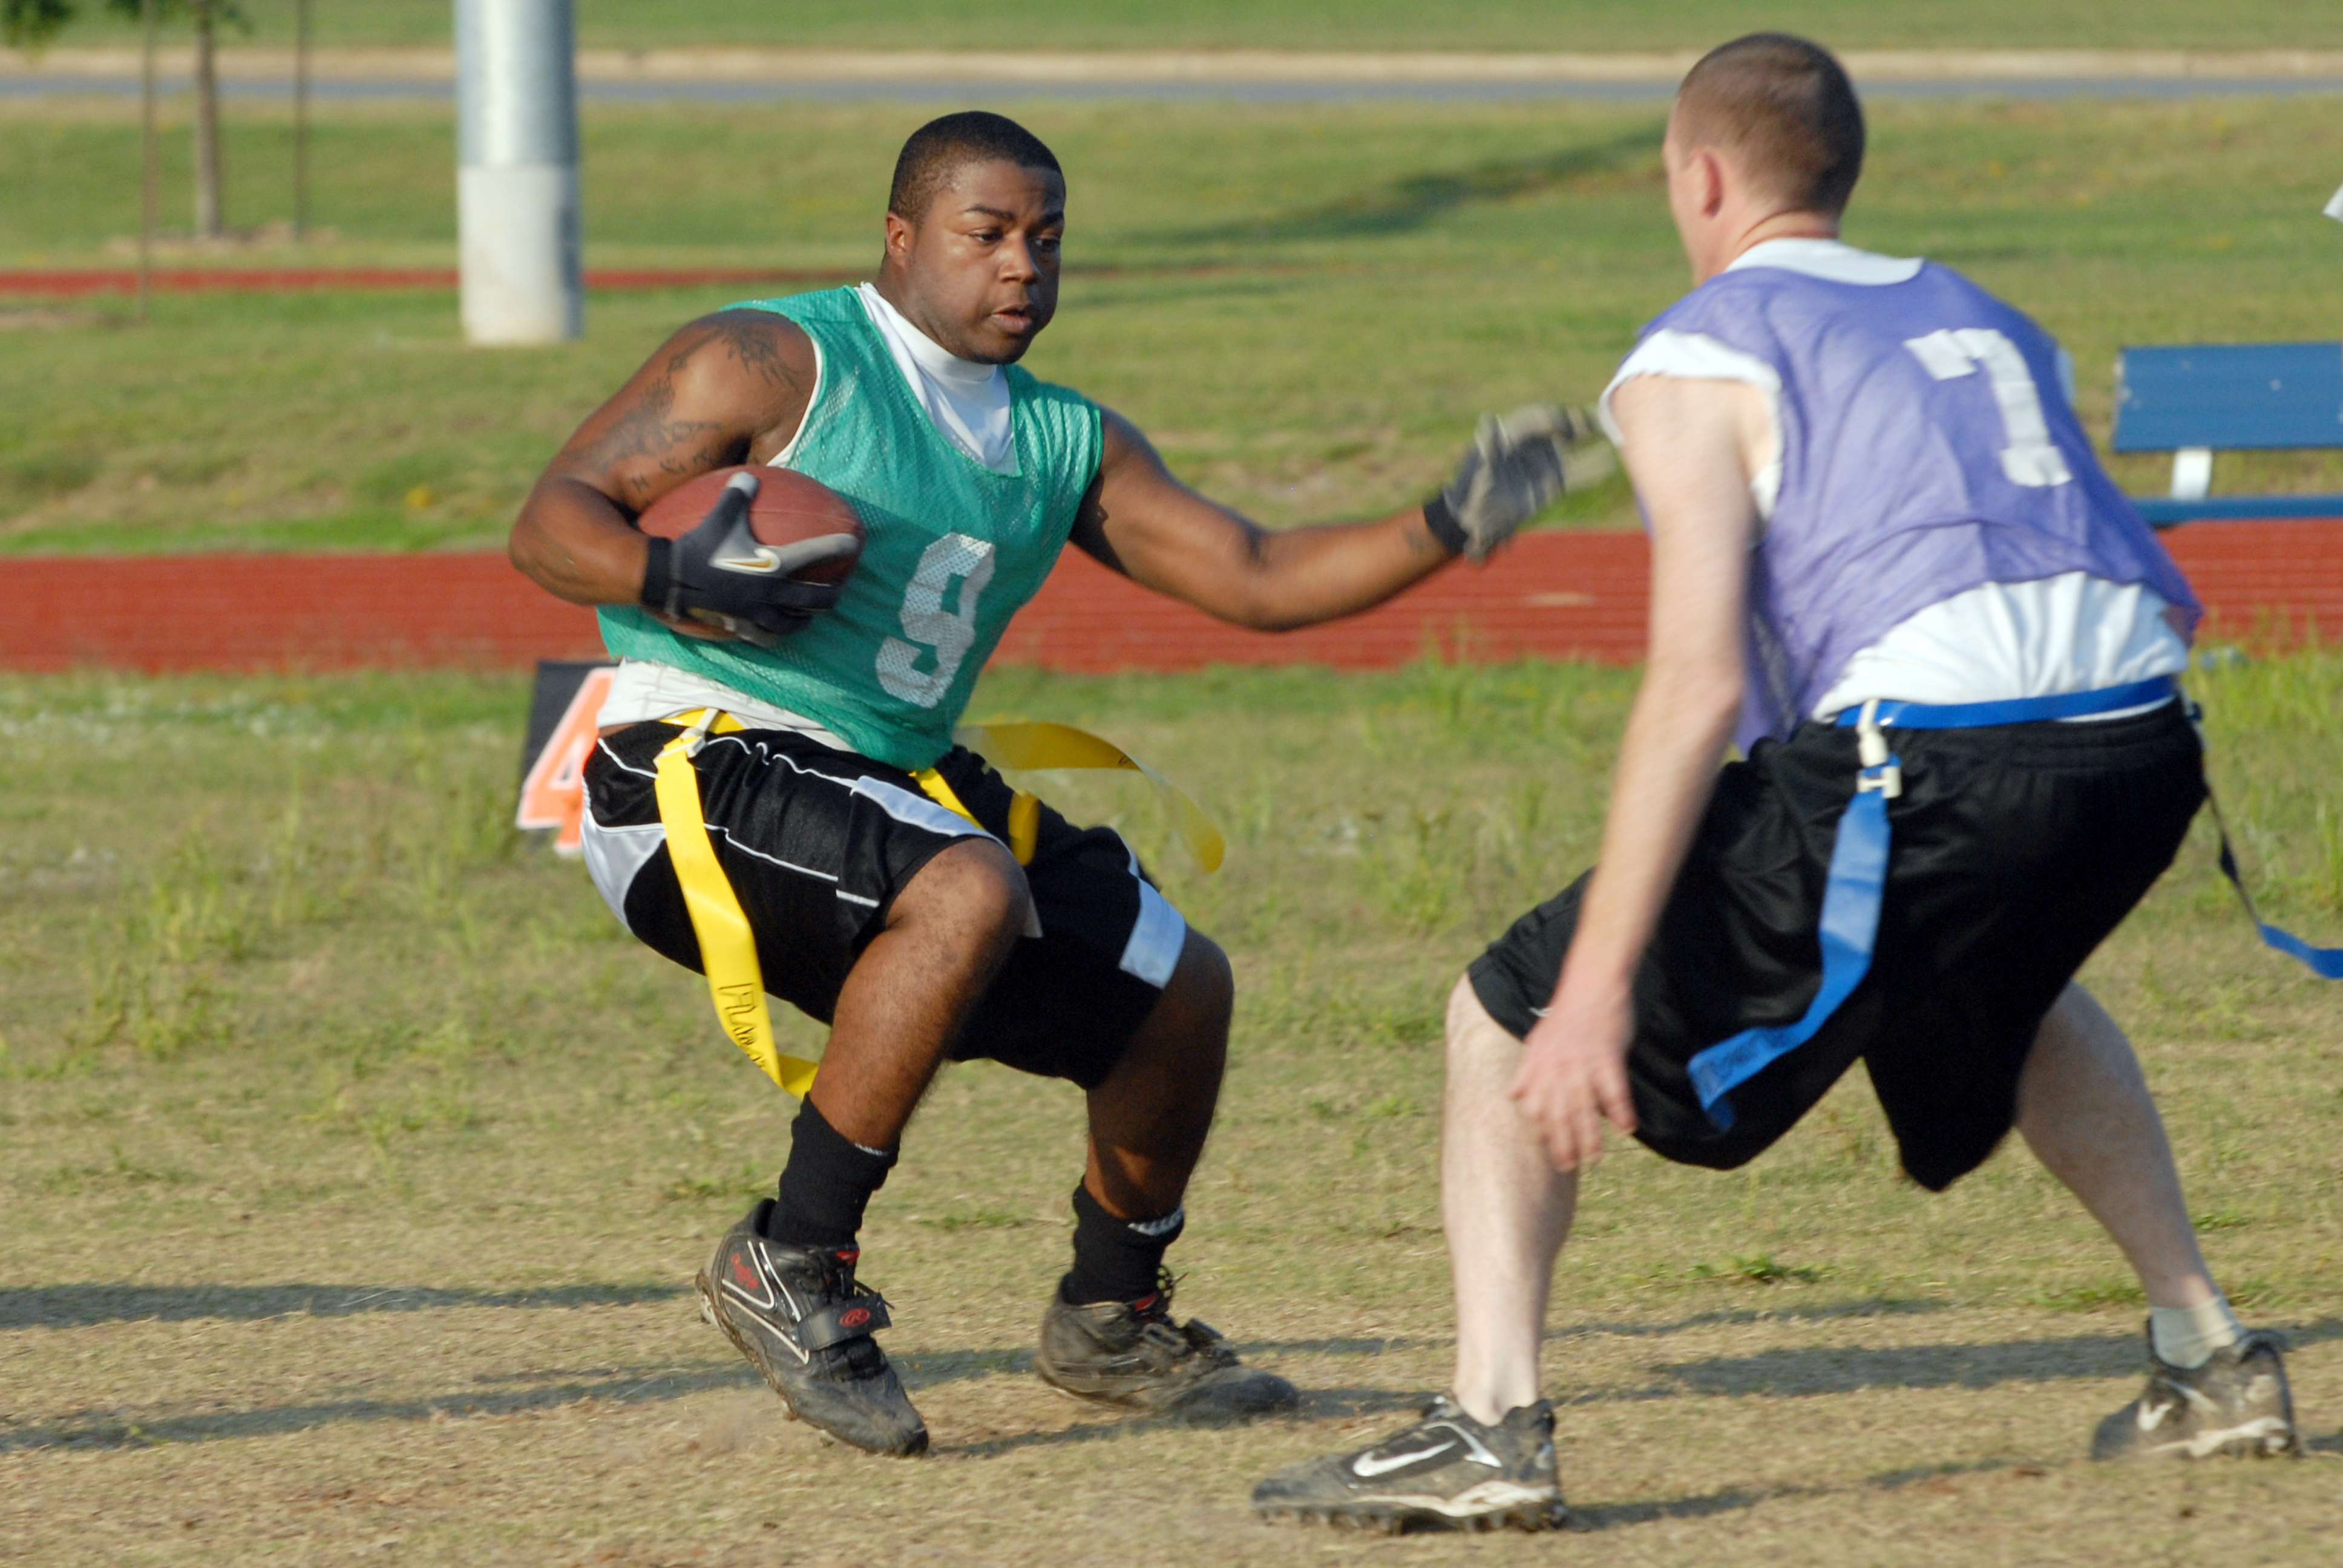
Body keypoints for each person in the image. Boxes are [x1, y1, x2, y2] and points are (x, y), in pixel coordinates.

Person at [1253, 34, 2299, 1533]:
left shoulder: (1696, 348)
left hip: (1941, 753)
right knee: (1999, 976)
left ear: (1699, 175)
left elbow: (1692, 683)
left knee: (1503, 1015)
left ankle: (1490, 1430)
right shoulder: (1989, 317)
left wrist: (1600, 987)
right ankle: (2207, 1356)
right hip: (2142, 745)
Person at [508, 111, 1596, 1458]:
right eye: (987, 235)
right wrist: (670, 578)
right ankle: (789, 1260)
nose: (1023, 266)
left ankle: (1108, 1313)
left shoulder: (1066, 438)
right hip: (683, 752)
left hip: (889, 774)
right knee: (964, 888)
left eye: (1047, 239)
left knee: (1176, 988)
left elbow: (1254, 577)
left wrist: (1448, 521)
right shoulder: (775, 360)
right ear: (901, 238)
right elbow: (552, 519)